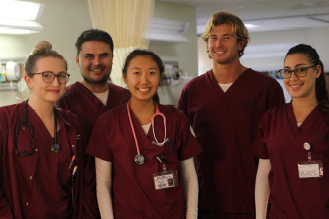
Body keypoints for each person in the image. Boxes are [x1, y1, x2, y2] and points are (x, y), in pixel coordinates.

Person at [177, 11, 285, 218]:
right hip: (204, 199)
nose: (218, 44)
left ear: (241, 44)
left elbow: (278, 147)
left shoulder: (266, 88)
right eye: (213, 38)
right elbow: (179, 147)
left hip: (252, 199)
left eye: (226, 37)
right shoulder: (192, 90)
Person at [86, 49, 203, 219]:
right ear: (125, 77)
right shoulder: (107, 123)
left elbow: (190, 175)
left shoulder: (177, 119)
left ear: (160, 77)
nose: (144, 80)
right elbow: (103, 182)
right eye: (137, 73)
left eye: (152, 73)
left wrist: (191, 215)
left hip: (170, 213)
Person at [0, 41, 97, 218]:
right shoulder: (4, 120)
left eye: (61, 76)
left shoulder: (74, 124)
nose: (56, 82)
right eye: (46, 75)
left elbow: (87, 183)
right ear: (28, 80)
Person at [252, 44, 329, 218]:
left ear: (317, 71)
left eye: (300, 70)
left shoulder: (325, 119)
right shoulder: (270, 119)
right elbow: (264, 174)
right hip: (280, 214)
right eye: (287, 71)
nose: (292, 77)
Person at [57, 29, 130, 139]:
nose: (97, 62)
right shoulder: (63, 101)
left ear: (112, 59)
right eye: (89, 56)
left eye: (103, 55)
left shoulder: (128, 98)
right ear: (77, 61)